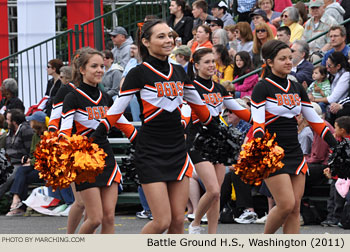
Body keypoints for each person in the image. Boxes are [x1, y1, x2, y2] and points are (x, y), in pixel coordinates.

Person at [92, 20, 219, 234]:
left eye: (169, 35)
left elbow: (197, 104)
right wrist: (98, 134)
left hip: (178, 150)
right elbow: (118, 107)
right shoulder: (139, 72)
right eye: (161, 36)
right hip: (151, 151)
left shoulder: (180, 71)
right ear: (146, 42)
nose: (168, 40)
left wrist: (216, 128)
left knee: (178, 220)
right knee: (162, 221)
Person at [250, 39, 337, 234]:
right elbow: (258, 123)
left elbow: (315, 120)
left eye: (290, 57)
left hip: (295, 153)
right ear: (270, 62)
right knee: (286, 204)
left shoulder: (297, 88)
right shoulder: (262, 87)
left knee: (295, 208)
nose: (289, 62)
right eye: (283, 59)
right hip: (272, 153)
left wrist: (337, 144)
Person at [59, 47, 136, 234]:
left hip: (106, 157)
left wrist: (145, 142)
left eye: (102, 66)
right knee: (94, 219)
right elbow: (64, 132)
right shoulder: (72, 97)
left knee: (109, 217)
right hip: (84, 159)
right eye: (94, 66)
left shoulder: (107, 98)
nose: (100, 70)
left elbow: (125, 124)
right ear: (82, 70)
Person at [187, 47, 251, 234]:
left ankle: (212, 235)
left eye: (212, 62)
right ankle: (195, 224)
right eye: (206, 62)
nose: (211, 66)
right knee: (213, 190)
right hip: (198, 140)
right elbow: (184, 114)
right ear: (196, 65)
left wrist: (260, 122)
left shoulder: (219, 88)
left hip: (218, 140)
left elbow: (237, 109)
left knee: (216, 195)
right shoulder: (191, 87)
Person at [5, 111, 47, 216]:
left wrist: (31, 161)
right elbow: (32, 153)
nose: (29, 123)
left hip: (45, 169)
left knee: (21, 174)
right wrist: (27, 158)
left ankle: (18, 204)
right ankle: (18, 201)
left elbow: (47, 157)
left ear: (36, 123)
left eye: (31, 121)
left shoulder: (47, 136)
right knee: (22, 173)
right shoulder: (35, 136)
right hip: (35, 166)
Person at [321, 116, 350, 227]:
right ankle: (331, 217)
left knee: (339, 199)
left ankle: (337, 218)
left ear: (342, 130)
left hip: (343, 177)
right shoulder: (338, 140)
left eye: (336, 127)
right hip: (336, 176)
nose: (334, 129)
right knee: (332, 197)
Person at [0, 109, 34, 199]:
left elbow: (31, 150)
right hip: (8, 161)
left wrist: (28, 159)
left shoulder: (25, 130)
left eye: (7, 119)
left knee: (4, 178)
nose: (6, 121)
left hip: (18, 163)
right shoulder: (10, 131)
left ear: (14, 122)